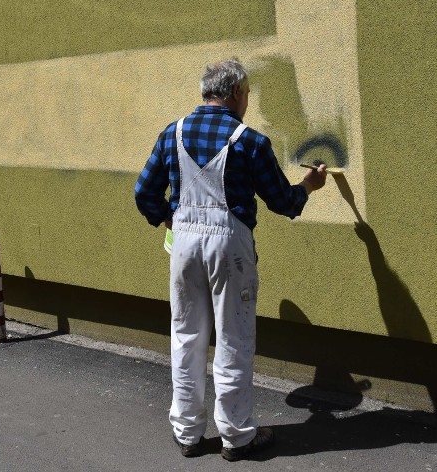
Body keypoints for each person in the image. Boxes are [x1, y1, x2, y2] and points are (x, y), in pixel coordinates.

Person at [134, 59, 327, 461]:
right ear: (237, 92)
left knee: (186, 336)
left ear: (208, 92)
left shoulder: (172, 134)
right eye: (248, 95)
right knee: (233, 339)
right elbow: (282, 202)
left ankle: (187, 433)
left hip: (184, 244)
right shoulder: (250, 141)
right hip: (230, 247)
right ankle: (236, 438)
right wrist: (309, 185)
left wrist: (171, 219)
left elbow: (144, 193)